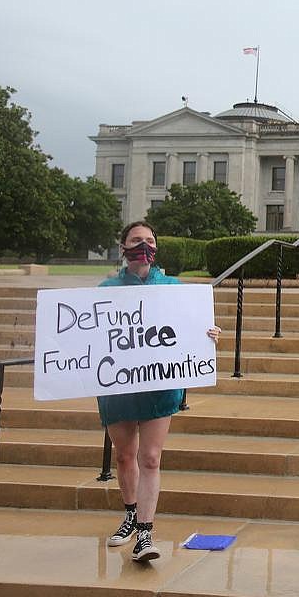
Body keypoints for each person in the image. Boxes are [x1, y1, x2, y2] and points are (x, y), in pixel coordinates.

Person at [99, 221, 221, 562]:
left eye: (150, 241)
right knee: (124, 456)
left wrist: (206, 334)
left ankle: (145, 532)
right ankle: (129, 515)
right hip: (118, 387)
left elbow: (190, 328)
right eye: (136, 240)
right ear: (123, 247)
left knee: (150, 457)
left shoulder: (173, 286)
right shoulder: (106, 289)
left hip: (160, 383)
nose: (144, 246)